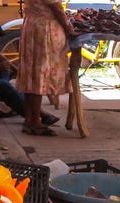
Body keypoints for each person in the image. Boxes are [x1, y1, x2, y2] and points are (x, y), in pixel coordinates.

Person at [16, 0, 76, 137]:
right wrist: (68, 27)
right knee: (39, 74)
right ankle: (36, 122)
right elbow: (55, 6)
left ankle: (29, 120)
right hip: (44, 29)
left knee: (30, 74)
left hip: (31, 25)